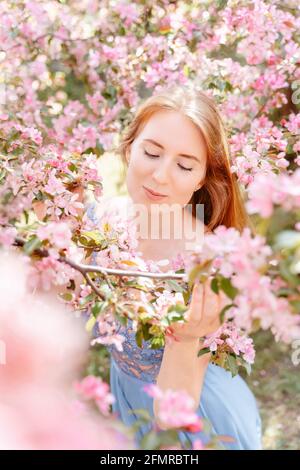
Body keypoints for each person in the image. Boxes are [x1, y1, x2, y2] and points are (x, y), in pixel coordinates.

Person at [86, 84, 262, 450]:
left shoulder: (206, 264)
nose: (161, 176)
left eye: (184, 165)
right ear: (130, 146)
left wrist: (186, 339)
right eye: (151, 152)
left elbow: (171, 418)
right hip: (127, 395)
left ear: (201, 178)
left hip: (193, 422)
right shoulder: (100, 220)